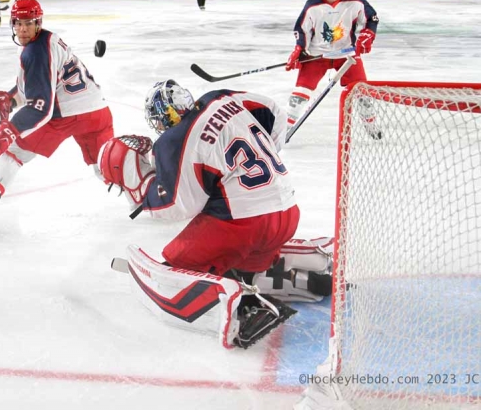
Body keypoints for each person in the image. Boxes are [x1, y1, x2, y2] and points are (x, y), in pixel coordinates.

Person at [96, 80, 333, 348]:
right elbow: (274, 112)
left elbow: (177, 206)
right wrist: (267, 152)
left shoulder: (174, 140)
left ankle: (235, 304)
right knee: (242, 263)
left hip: (245, 225)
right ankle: (299, 276)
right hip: (287, 212)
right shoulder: (223, 97)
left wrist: (143, 189)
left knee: (178, 264)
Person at [0, 0, 114, 235]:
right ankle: (151, 191)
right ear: (13, 23)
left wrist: (10, 129)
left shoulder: (35, 52)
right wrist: (10, 99)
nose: (23, 29)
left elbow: (41, 108)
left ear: (38, 23)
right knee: (107, 168)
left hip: (65, 115)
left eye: (28, 23)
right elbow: (37, 85)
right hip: (97, 111)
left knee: (14, 152)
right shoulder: (48, 39)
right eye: (19, 23)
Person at [285, 0, 379, 138]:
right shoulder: (312, 5)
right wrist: (300, 49)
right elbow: (302, 29)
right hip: (317, 55)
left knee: (363, 94)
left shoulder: (355, 0)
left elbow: (371, 18)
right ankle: (284, 130)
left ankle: (371, 125)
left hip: (347, 55)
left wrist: (368, 34)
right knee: (298, 97)